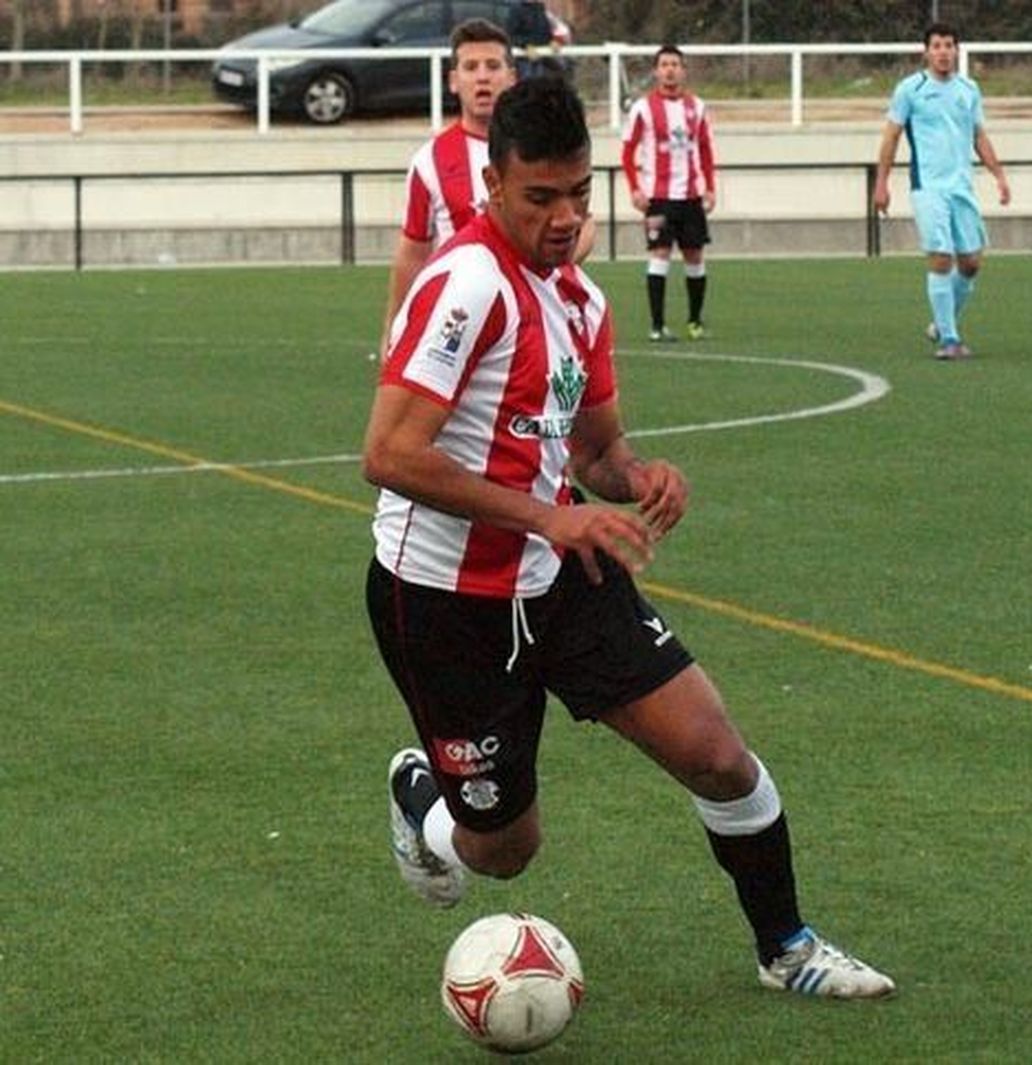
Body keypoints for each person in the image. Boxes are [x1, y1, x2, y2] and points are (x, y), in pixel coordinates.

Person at [363, 75, 895, 1001]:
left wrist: (639, 476)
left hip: (562, 572)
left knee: (716, 752)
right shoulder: (466, 286)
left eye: (580, 192)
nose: (566, 217)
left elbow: (595, 452)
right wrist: (549, 513)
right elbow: (388, 453)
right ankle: (425, 798)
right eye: (541, 197)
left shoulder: (580, 303)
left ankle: (786, 947)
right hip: (445, 601)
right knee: (504, 849)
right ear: (494, 186)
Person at [380, 19, 594, 353]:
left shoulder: (545, 148)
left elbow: (586, 224)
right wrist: (394, 329)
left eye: (493, 66)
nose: (482, 77)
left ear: (512, 77)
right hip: (457, 324)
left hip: (534, 317)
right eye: (470, 67)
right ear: (453, 81)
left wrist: (546, 265)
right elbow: (413, 251)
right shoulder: (430, 160)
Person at [873, 22, 1010, 361]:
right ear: (926, 52)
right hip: (929, 187)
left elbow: (978, 135)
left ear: (957, 50)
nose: (943, 52)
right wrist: (881, 183)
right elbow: (891, 136)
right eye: (936, 46)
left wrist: (998, 175)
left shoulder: (968, 89)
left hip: (961, 187)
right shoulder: (910, 89)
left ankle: (941, 321)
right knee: (941, 258)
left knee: (971, 263)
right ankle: (950, 339)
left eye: (949, 45)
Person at [621, 44, 717, 342]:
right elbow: (627, 152)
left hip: (690, 197)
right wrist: (634, 188)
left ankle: (694, 322)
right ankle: (657, 325)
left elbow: (705, 149)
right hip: (658, 199)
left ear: (683, 70)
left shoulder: (697, 107)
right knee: (659, 254)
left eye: (675, 64)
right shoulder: (643, 108)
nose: (670, 70)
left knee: (695, 256)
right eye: (664, 65)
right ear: (656, 71)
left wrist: (710, 188)